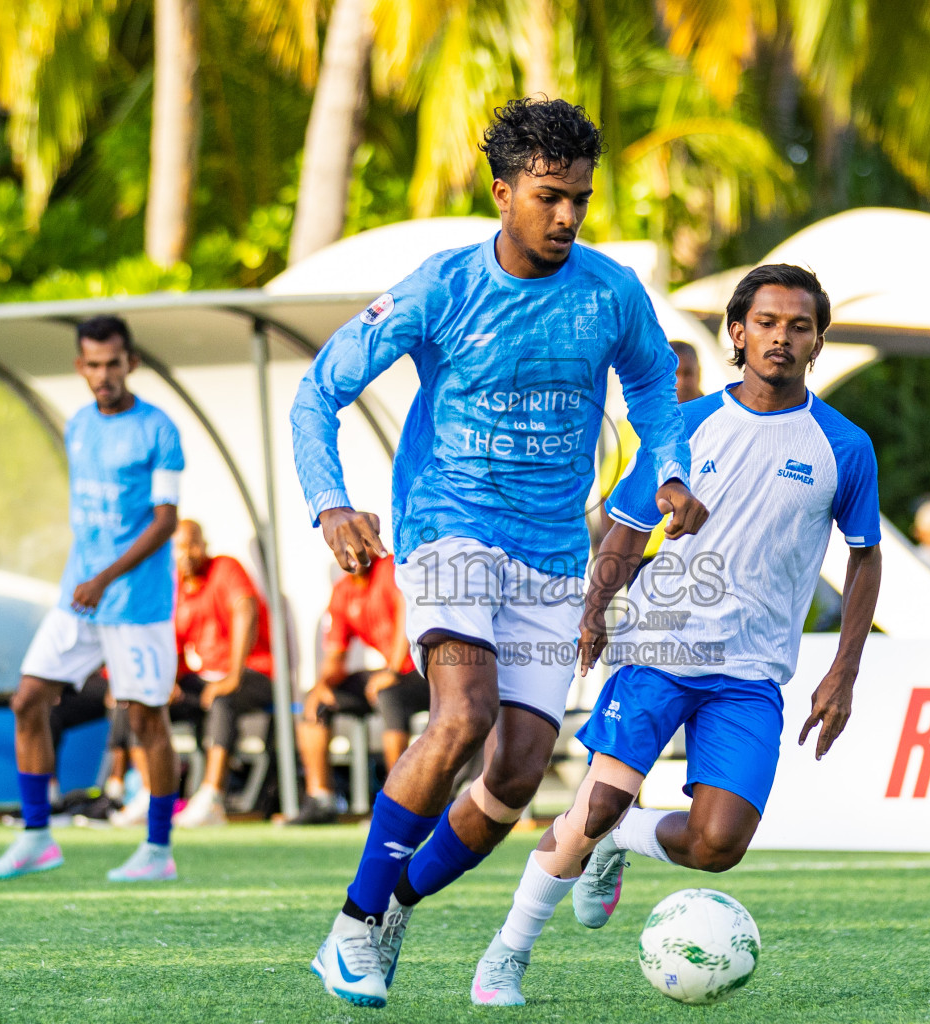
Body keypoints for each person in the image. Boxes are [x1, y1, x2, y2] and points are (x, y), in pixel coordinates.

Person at [291, 97, 706, 1008]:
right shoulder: (441, 287)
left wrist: (669, 470)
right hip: (451, 526)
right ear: (502, 192)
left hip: (552, 553)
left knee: (515, 776)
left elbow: (653, 388)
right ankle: (354, 925)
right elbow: (317, 391)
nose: (567, 216)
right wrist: (331, 504)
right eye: (549, 196)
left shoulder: (610, 291)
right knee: (462, 716)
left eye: (580, 199)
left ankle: (391, 905)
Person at [470, 264, 884, 1005]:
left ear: (817, 341)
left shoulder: (844, 446)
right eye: (766, 323)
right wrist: (594, 611)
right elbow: (627, 531)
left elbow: (864, 557)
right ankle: (506, 954)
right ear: (738, 333)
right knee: (592, 807)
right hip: (656, 652)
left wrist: (844, 671)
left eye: (798, 326)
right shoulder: (681, 429)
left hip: (751, 673)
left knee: (718, 845)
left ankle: (622, 840)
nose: (781, 338)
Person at [0, 314, 185, 883]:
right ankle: (37, 839)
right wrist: (86, 579)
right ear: (80, 367)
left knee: (145, 720)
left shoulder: (159, 429)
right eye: (93, 365)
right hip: (80, 599)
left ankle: (158, 852)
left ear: (130, 363)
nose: (103, 375)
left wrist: (106, 577)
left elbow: (166, 522)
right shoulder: (78, 426)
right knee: (27, 701)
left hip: (135, 601)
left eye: (113, 363)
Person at [289, 555, 430, 826]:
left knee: (389, 695)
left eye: (361, 544)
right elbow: (335, 653)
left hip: (425, 670)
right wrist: (323, 684)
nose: (354, 553)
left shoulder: (389, 568)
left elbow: (407, 612)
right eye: (347, 548)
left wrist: (391, 670)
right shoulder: (342, 591)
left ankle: (398, 803)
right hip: (391, 673)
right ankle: (321, 799)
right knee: (316, 701)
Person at [169, 519, 278, 827]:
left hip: (254, 672)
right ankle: (150, 792)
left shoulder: (224, 568)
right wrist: (169, 683)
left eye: (192, 544)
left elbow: (246, 610)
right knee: (146, 701)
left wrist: (233, 674)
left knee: (222, 697)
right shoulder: (177, 587)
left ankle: (212, 797)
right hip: (208, 677)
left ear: (204, 544)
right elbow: (172, 643)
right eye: (179, 547)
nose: (187, 553)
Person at [594, 340, 703, 558]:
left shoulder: (715, 420)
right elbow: (609, 493)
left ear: (699, 373)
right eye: (673, 375)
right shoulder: (638, 425)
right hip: (644, 554)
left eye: (688, 373)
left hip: (700, 551)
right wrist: (611, 553)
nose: (681, 382)